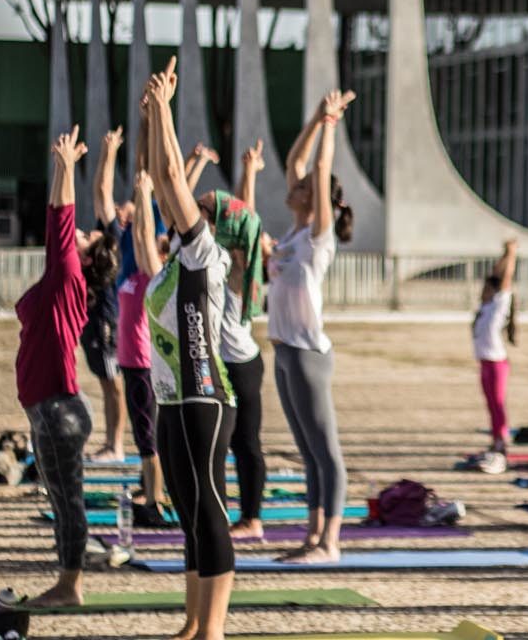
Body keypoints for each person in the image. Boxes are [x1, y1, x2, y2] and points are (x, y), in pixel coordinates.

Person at [143, 58, 264, 640]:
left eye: (195, 210)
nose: (183, 207)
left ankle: (213, 630)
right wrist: (151, 115)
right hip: (172, 399)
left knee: (209, 506)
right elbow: (160, 177)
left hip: (204, 397)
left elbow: (170, 174)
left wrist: (167, 108)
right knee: (189, 510)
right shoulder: (176, 259)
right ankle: (192, 624)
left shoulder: (203, 257)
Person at [9, 125, 117, 608]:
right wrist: (59, 166)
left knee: (67, 502)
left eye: (89, 236)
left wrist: (69, 167)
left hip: (58, 411)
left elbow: (61, 217)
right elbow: (58, 218)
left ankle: (69, 586)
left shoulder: (70, 273)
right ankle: (67, 581)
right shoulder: (62, 273)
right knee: (60, 499)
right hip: (49, 409)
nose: (81, 229)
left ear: (88, 258)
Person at [268, 90, 356, 563]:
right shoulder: (291, 233)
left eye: (303, 188)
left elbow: (317, 170)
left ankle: (331, 543)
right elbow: (296, 159)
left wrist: (331, 125)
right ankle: (311, 536)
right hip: (283, 351)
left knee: (326, 451)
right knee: (305, 450)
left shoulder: (317, 237)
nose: (295, 185)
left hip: (307, 353)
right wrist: (315, 118)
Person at [225, 137, 271, 538]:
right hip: (227, 362)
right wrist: (248, 172)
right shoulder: (220, 261)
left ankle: (252, 518)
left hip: (243, 365)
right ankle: (230, 514)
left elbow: (247, 219)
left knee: (246, 443)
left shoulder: (240, 271)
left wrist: (250, 177)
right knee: (225, 443)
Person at [123, 166, 169, 527]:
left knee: (147, 437)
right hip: (131, 363)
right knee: (143, 434)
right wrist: (141, 195)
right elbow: (140, 235)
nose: (148, 247)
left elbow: (146, 232)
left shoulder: (155, 279)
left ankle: (155, 499)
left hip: (141, 363)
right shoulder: (138, 274)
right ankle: (152, 491)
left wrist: (144, 196)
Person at [85, 127, 129, 461]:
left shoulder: (117, 237)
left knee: (114, 385)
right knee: (107, 383)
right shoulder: (113, 239)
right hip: (100, 320)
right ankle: (111, 443)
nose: (117, 205)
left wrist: (109, 149)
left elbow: (101, 188)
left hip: (107, 322)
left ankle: (116, 445)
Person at [473, 239, 519, 463]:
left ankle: (502, 441)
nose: (482, 291)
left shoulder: (498, 305)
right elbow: (494, 274)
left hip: (497, 364)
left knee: (498, 403)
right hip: (484, 363)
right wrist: (503, 254)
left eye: (485, 288)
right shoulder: (484, 307)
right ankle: (495, 438)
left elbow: (505, 280)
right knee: (490, 403)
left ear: (493, 291)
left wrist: (511, 255)